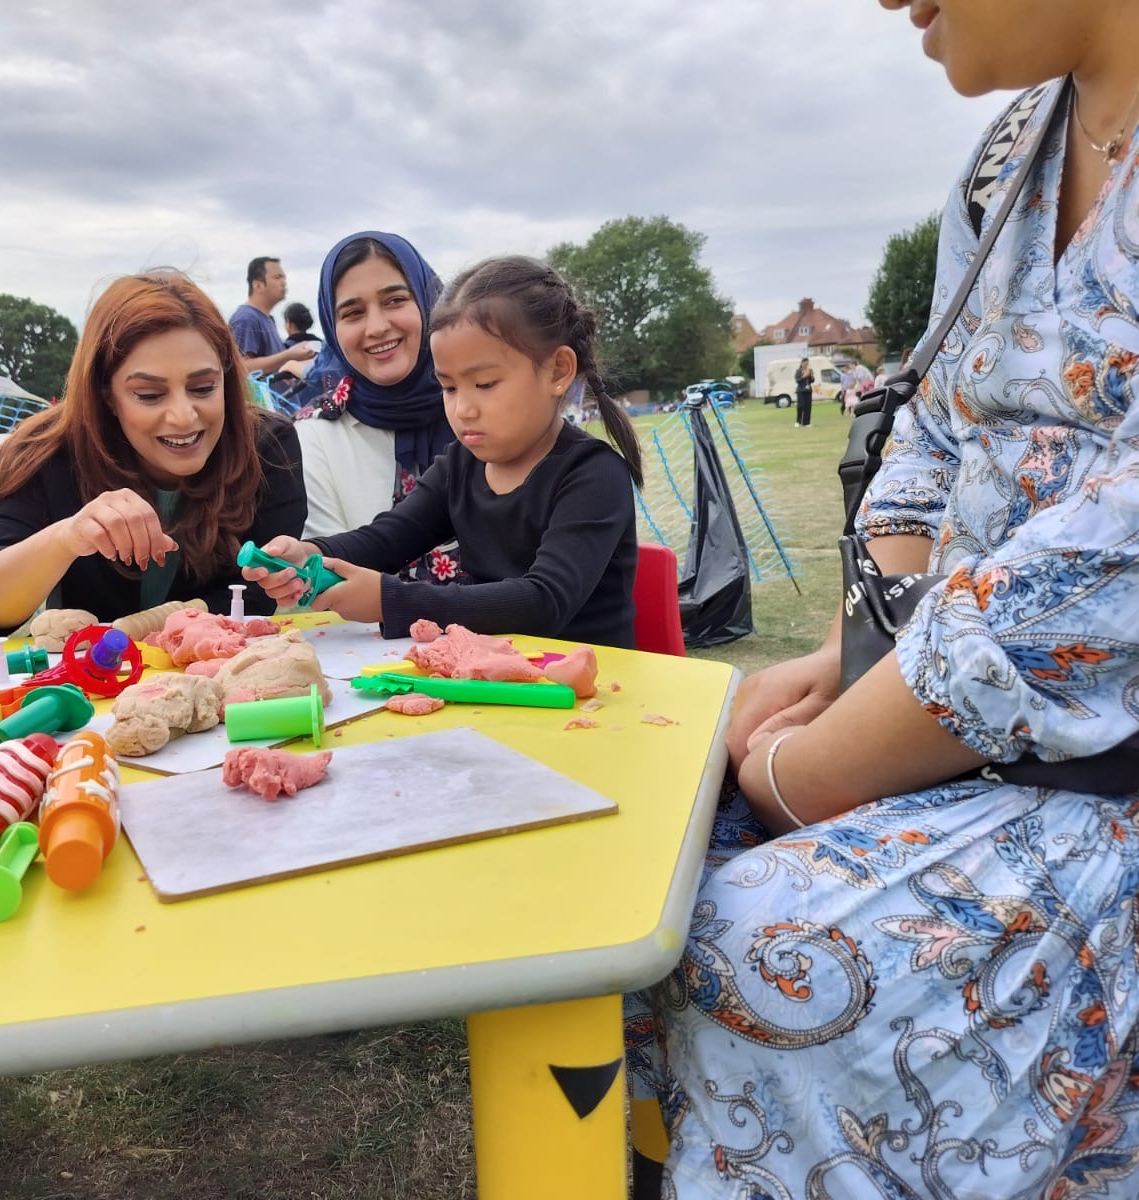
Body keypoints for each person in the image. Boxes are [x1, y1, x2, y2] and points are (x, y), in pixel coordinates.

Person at [626, 1, 1139, 1194]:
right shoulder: (1013, 152)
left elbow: (1103, 573)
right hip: (948, 709)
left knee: (749, 939)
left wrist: (807, 772)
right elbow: (931, 427)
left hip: (1106, 762)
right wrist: (859, 650)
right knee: (644, 833)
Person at [245, 255, 642, 646]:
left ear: (558, 371)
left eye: (484, 384)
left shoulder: (594, 474)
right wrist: (311, 554)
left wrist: (388, 599)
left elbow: (543, 601)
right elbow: (388, 538)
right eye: (449, 387)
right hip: (496, 679)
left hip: (593, 691)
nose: (462, 409)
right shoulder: (462, 464)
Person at [0, 271, 307, 638]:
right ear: (106, 395)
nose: (184, 416)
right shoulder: (49, 452)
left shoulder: (269, 448)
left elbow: (254, 594)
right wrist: (67, 537)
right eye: (150, 395)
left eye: (203, 387)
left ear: (227, 377)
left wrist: (148, 628)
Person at [292, 231, 467, 587]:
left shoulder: (483, 411)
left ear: (429, 302)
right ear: (331, 324)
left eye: (395, 300)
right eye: (353, 312)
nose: (376, 327)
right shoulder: (311, 436)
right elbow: (330, 583)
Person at [227, 256, 316, 378]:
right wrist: (288, 355)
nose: (284, 282)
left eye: (283, 277)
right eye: (277, 277)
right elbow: (242, 368)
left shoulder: (268, 319)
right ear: (258, 285)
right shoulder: (245, 319)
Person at [793, 355, 814, 426]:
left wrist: (811, 376)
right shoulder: (798, 371)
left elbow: (812, 381)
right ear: (802, 363)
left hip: (808, 391)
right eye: (805, 363)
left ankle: (806, 422)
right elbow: (797, 380)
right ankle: (798, 421)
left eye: (807, 363)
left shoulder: (809, 370)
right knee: (801, 406)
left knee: (808, 406)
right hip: (801, 391)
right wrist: (804, 376)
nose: (806, 365)